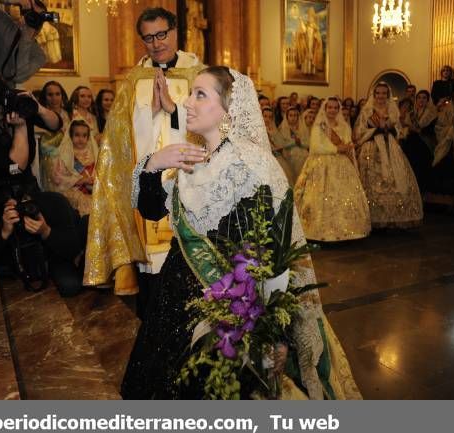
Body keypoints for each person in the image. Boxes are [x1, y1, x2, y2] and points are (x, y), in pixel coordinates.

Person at [121, 65, 361, 400]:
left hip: (225, 313)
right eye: (191, 93)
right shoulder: (193, 157)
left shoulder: (252, 165)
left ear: (228, 109)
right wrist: (153, 164)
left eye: (199, 94)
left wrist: (271, 331)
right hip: (174, 303)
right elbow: (152, 210)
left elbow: (272, 253)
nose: (187, 102)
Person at [84, 7, 204, 297]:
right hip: (148, 184)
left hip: (190, 181)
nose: (156, 43)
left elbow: (209, 129)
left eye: (162, 34)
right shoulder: (133, 81)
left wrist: (172, 111)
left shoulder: (199, 76)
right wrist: (150, 111)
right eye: (148, 38)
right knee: (153, 279)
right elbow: (118, 138)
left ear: (175, 32)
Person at [0, 72, 62, 262]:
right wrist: (21, 128)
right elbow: (15, 167)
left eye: (0, 103)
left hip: (24, 183)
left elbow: (56, 125)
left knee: (38, 230)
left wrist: (37, 108)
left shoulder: (15, 103)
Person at [294, 97, 370, 241]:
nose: (332, 110)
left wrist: (348, 148)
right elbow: (316, 147)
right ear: (325, 108)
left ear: (339, 109)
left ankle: (348, 230)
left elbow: (348, 143)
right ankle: (317, 231)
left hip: (342, 165)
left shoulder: (345, 126)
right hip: (321, 165)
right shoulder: (319, 126)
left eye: (336, 108)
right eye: (330, 107)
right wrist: (336, 148)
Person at [354, 82, 423, 228]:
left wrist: (390, 130)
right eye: (378, 93)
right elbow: (359, 132)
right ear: (374, 94)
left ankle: (394, 217)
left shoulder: (393, 110)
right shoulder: (367, 111)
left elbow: (399, 131)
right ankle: (374, 218)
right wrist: (375, 131)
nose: (380, 96)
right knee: (373, 181)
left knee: (396, 179)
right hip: (371, 148)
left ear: (388, 95)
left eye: (383, 93)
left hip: (390, 147)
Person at [52, 120, 98, 216]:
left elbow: (98, 171)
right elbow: (58, 178)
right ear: (70, 136)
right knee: (84, 201)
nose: (81, 139)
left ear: (88, 138)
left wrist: (92, 180)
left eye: (84, 135)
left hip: (91, 188)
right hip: (72, 189)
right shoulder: (65, 155)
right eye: (77, 135)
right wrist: (80, 181)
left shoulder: (94, 153)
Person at [401, 90, 437, 193]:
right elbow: (406, 127)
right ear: (416, 100)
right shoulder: (411, 113)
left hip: (424, 144)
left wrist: (416, 129)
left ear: (428, 100)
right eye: (419, 97)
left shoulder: (432, 114)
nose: (421, 100)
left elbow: (430, 131)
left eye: (424, 98)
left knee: (422, 171)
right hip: (411, 144)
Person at [37, 80, 69, 191]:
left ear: (62, 96)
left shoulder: (69, 114)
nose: (54, 98)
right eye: (50, 95)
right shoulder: (41, 116)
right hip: (50, 159)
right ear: (45, 97)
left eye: (57, 94)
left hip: (70, 156)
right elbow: (43, 145)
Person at [276, 106, 308, 181]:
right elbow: (281, 144)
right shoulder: (282, 128)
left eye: (295, 115)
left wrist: (300, 143)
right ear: (287, 116)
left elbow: (307, 143)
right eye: (290, 115)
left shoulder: (303, 128)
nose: (293, 118)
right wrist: (294, 143)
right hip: (288, 155)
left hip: (302, 156)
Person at [263, 107, 294, 183]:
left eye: (270, 117)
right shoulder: (258, 130)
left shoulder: (274, 130)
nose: (267, 119)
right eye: (265, 116)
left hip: (276, 157)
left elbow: (281, 144)